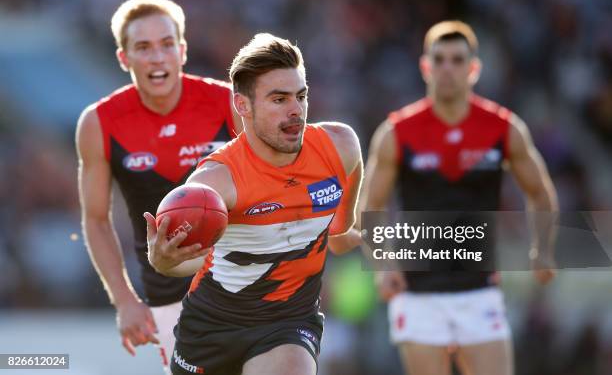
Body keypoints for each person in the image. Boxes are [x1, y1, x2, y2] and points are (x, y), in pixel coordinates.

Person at [144, 33, 363, 375]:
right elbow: (186, 260)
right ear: (243, 106)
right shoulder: (215, 183)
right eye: (279, 99)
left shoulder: (341, 146)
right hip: (211, 329)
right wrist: (162, 261)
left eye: (301, 96)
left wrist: (342, 231)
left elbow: (342, 225)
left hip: (288, 323)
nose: (296, 110)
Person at [360, 21, 559, 375]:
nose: (447, 68)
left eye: (456, 60)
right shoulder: (397, 132)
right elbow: (371, 207)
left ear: (474, 69)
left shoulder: (502, 128)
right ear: (425, 67)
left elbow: (541, 193)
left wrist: (541, 249)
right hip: (417, 291)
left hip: (478, 288)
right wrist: (383, 266)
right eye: (439, 59)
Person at [76, 0, 241, 373]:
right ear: (124, 58)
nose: (157, 57)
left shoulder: (228, 103)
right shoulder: (99, 122)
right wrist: (124, 301)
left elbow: (272, 185)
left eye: (167, 44)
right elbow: (96, 220)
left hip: (243, 282)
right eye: (143, 47)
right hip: (168, 294)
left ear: (182, 51)